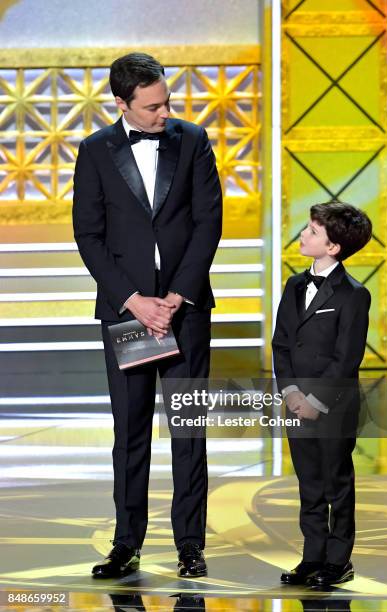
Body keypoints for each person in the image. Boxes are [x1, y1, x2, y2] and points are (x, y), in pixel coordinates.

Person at [73, 52, 222, 578]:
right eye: (153, 106)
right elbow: (88, 236)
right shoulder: (94, 151)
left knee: (188, 429)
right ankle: (126, 545)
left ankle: (190, 546)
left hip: (183, 311)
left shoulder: (193, 140)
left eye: (167, 102)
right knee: (130, 430)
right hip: (131, 312)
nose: (165, 112)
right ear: (122, 103)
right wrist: (134, 300)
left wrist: (176, 297)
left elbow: (208, 223)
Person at [272, 201, 372, 587]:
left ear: (333, 248)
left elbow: (347, 358)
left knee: (336, 483)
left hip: (333, 406)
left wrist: (315, 402)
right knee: (309, 482)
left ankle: (338, 561)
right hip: (296, 403)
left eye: (312, 232)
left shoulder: (353, 294)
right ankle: (311, 556)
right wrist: (293, 393)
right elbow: (281, 343)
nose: (303, 234)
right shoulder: (295, 284)